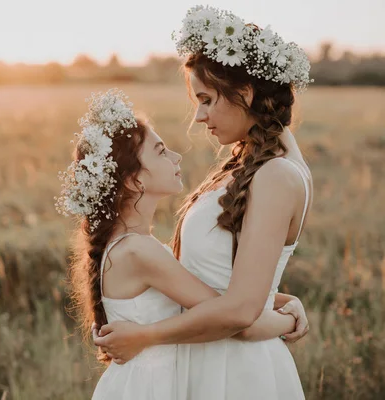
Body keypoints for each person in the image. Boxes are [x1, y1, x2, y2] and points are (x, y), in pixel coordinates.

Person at [93, 6, 313, 399]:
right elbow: (226, 283)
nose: (199, 116)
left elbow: (241, 310)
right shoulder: (249, 165)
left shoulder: (277, 175)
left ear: (244, 93)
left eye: (207, 99)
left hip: (238, 371)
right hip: (208, 355)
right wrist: (282, 302)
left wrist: (145, 336)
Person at [56, 88, 304, 400]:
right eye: (160, 152)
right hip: (148, 388)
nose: (176, 156)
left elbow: (215, 295)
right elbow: (235, 317)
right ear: (135, 181)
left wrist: (282, 300)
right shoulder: (138, 251)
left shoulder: (133, 247)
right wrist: (290, 319)